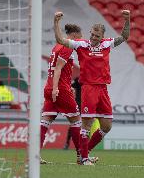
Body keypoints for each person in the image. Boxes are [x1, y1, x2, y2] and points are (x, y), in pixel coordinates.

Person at [54, 10, 130, 165]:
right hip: (88, 88)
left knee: (107, 126)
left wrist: (127, 20)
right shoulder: (81, 45)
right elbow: (61, 40)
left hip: (103, 89)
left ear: (102, 36)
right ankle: (83, 158)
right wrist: (56, 22)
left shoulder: (107, 44)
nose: (94, 38)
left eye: (97, 36)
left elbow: (124, 37)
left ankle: (84, 153)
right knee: (87, 124)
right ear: (90, 33)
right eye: (92, 34)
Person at [40, 24, 82, 164]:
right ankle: (81, 157)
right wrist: (57, 88)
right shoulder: (68, 47)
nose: (80, 39)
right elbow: (58, 69)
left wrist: (56, 22)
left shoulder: (57, 45)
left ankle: (34, 156)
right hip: (59, 89)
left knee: (45, 121)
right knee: (76, 121)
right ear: (74, 35)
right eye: (80, 36)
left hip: (49, 87)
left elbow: (60, 71)